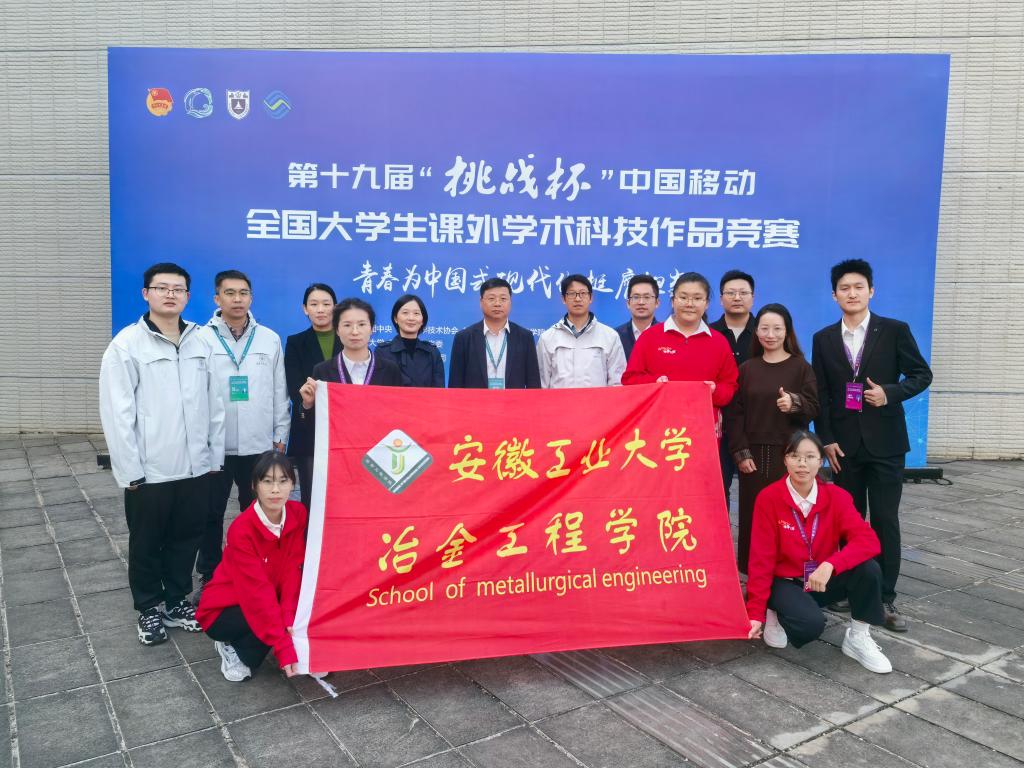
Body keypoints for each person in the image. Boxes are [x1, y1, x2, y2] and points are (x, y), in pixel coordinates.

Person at [99, 262, 224, 646]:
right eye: (162, 287)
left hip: (196, 467)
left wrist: (213, 458)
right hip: (150, 470)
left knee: (187, 537)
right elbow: (117, 414)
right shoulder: (127, 345)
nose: (170, 294)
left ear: (187, 296)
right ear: (146, 293)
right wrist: (129, 470)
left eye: (178, 289)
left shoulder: (202, 341)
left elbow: (215, 404)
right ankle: (148, 607)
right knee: (147, 541)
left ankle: (176, 600)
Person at [812, 259, 932, 632]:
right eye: (844, 288)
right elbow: (822, 394)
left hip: (886, 443)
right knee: (847, 521)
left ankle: (883, 596)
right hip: (843, 447)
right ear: (834, 295)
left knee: (884, 520)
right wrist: (826, 439)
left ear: (871, 291)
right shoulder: (823, 338)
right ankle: (850, 585)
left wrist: (889, 393)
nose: (852, 293)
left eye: (858, 287)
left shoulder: (894, 330)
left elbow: (921, 374)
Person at [746, 431, 892, 674]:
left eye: (809, 456)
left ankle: (857, 638)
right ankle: (776, 612)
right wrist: (756, 614)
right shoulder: (769, 498)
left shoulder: (836, 497)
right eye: (795, 456)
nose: (802, 463)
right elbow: (761, 560)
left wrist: (831, 564)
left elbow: (869, 541)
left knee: (868, 569)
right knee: (809, 626)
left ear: (820, 461)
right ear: (785, 460)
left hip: (819, 579)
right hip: (784, 582)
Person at [197, 270, 289, 589]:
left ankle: (259, 567)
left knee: (258, 510)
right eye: (230, 293)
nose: (237, 299)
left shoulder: (269, 338)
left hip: (258, 443)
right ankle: (210, 574)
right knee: (211, 513)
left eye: (243, 293)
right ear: (217, 298)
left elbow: (279, 390)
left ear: (251, 298)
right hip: (216, 446)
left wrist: (280, 436)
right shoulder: (201, 338)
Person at [197, 452, 307, 682]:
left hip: (269, 596)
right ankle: (229, 646)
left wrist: (289, 620)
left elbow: (291, 573)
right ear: (254, 485)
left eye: (283, 481)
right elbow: (256, 593)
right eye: (267, 481)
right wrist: (284, 646)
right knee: (254, 653)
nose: (275, 490)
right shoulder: (241, 530)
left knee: (298, 611)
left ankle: (282, 639)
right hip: (226, 609)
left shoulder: (298, 514)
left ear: (292, 484)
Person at [726, 304, 819, 574]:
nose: (770, 334)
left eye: (777, 328)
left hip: (788, 457)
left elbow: (814, 407)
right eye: (764, 328)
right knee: (753, 516)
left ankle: (789, 572)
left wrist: (794, 403)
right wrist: (741, 452)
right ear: (756, 332)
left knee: (788, 515)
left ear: (787, 332)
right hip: (752, 458)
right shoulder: (747, 369)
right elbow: (735, 415)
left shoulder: (801, 368)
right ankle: (752, 573)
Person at [622, 272, 739, 424]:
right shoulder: (649, 337)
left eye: (697, 298)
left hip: (703, 426)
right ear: (673, 301)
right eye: (683, 297)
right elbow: (630, 379)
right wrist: (654, 382)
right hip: (657, 425)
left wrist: (714, 391)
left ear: (707, 304)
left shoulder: (719, 342)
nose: (689, 304)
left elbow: (730, 386)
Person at [284, 284, 341, 510]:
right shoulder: (295, 342)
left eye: (326, 304)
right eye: (314, 304)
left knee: (342, 496)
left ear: (335, 307)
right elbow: (295, 388)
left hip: (344, 429)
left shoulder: (349, 338)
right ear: (305, 309)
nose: (320, 309)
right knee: (311, 496)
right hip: (309, 427)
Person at [298, 298, 403, 416]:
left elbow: (399, 414)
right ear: (337, 330)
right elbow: (316, 422)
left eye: (361, 324)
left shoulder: (390, 370)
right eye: (347, 325)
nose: (355, 332)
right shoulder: (322, 371)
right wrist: (307, 405)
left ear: (372, 328)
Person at [710, 269, 757, 508]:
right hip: (715, 426)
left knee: (758, 493)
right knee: (716, 490)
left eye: (743, 293)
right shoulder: (707, 334)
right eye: (730, 293)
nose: (737, 298)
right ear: (721, 299)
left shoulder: (766, 332)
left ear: (752, 297)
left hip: (755, 425)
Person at [448, 277, 541, 389]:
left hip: (513, 400)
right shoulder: (464, 338)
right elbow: (455, 385)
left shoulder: (525, 337)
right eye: (491, 298)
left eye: (503, 299)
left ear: (510, 302)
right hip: (475, 400)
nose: (497, 303)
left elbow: (533, 382)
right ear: (481, 302)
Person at [536, 274, 627, 388]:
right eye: (572, 294)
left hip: (597, 400)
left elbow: (617, 383)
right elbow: (541, 383)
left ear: (591, 298)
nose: (577, 299)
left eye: (583, 293)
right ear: (563, 299)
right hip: (560, 400)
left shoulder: (609, 336)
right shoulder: (548, 338)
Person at [374, 294, 445, 387]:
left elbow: (439, 390)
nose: (411, 318)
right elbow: (378, 390)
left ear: (422, 320)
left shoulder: (432, 353)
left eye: (416, 313)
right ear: (395, 318)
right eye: (405, 313)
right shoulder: (382, 352)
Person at [615, 274, 661, 360]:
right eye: (636, 297)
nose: (641, 302)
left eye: (647, 297)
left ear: (657, 303)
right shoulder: (615, 336)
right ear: (628, 303)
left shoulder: (666, 335)